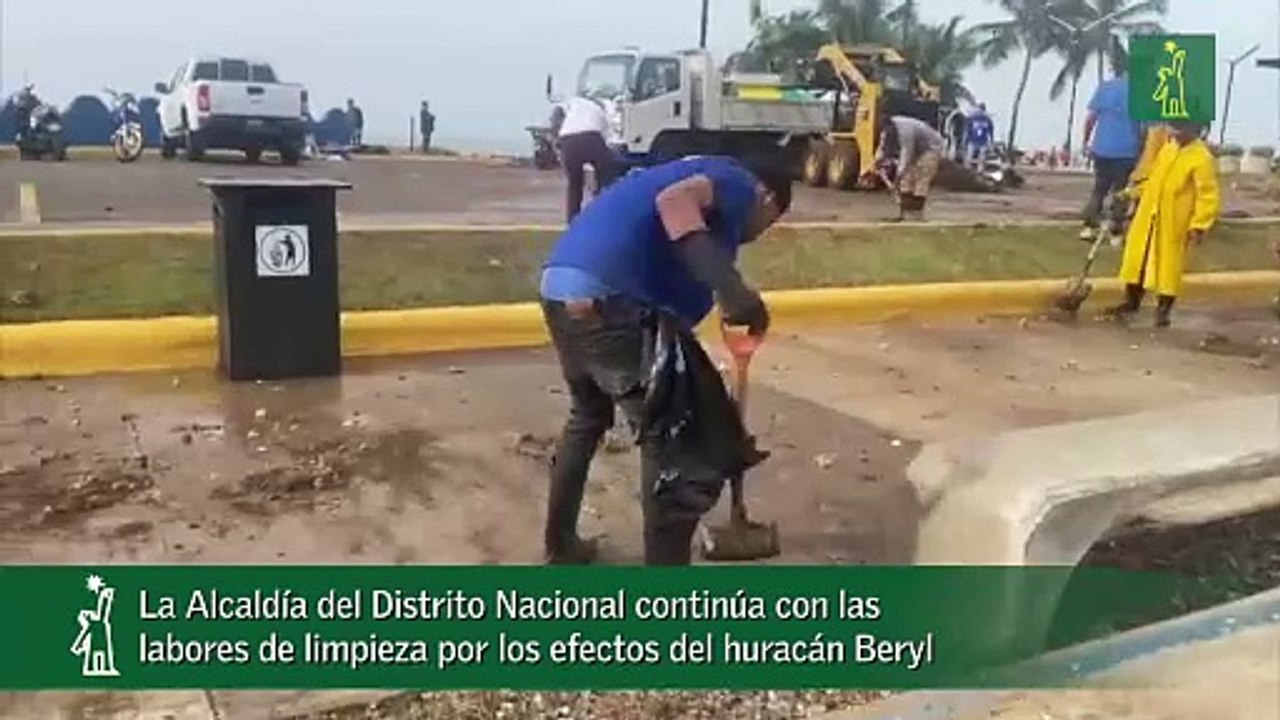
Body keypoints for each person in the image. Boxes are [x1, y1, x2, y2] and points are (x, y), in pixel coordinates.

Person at [538, 155, 793, 565]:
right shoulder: (739, 181)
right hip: (609, 298)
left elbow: (674, 286)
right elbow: (675, 204)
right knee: (673, 438)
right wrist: (732, 290)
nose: (758, 234)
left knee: (586, 417)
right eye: (770, 222)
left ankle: (561, 545)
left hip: (559, 286)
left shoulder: (675, 176)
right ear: (767, 198)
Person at [1105, 121, 1220, 328]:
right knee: (1137, 259)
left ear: (1195, 131)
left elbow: (1207, 195)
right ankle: (1131, 302)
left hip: (1174, 220)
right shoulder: (1168, 149)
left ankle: (1163, 310)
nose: (1174, 133)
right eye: (1173, 128)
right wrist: (1130, 193)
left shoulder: (1202, 158)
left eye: (1180, 129)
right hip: (1149, 215)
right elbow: (1154, 181)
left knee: (1169, 266)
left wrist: (1199, 225)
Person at [1081, 57, 1143, 242]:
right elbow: (1143, 128)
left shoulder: (1105, 88)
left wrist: (1086, 141)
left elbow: (1091, 118)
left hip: (1102, 148)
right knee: (1121, 192)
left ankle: (1089, 227)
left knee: (1099, 189)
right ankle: (1116, 231)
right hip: (1127, 151)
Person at [557, 94, 621, 221]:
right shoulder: (602, 112)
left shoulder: (574, 101)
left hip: (567, 139)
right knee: (605, 175)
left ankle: (572, 220)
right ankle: (600, 212)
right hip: (591, 138)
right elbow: (608, 139)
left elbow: (559, 112)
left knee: (574, 184)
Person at [877, 113, 946, 222]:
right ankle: (905, 214)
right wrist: (878, 161)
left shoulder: (905, 131)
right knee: (906, 180)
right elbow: (882, 147)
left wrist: (898, 174)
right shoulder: (887, 129)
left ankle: (916, 215)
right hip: (916, 148)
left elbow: (906, 153)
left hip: (932, 147)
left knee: (921, 177)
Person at [965, 104, 995, 170]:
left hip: (982, 141)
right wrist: (966, 139)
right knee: (969, 157)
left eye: (981, 110)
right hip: (973, 140)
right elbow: (968, 129)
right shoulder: (972, 118)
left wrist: (991, 141)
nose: (980, 111)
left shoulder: (987, 120)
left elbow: (991, 131)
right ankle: (967, 170)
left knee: (981, 159)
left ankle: (979, 171)